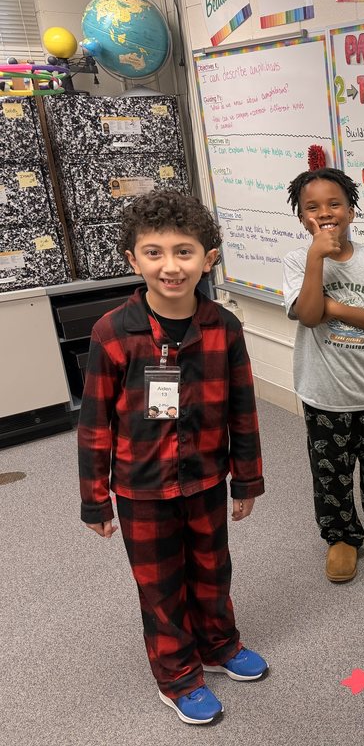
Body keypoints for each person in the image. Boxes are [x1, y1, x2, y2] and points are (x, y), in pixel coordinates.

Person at [78, 190, 268, 725]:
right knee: (160, 585)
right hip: (141, 488)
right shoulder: (113, 333)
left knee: (213, 570)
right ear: (132, 261)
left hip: (206, 477)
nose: (170, 265)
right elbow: (94, 423)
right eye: (154, 252)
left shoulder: (223, 328)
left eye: (184, 251)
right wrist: (96, 501)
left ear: (208, 258)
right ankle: (178, 674)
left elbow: (243, 409)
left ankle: (219, 645)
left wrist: (246, 480)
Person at [282, 162, 364, 584]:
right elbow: (307, 315)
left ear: (351, 211)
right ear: (303, 217)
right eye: (313, 206)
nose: (325, 212)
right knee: (331, 471)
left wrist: (334, 307)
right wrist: (315, 261)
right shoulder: (296, 261)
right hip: (323, 393)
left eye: (334, 203)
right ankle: (341, 536)